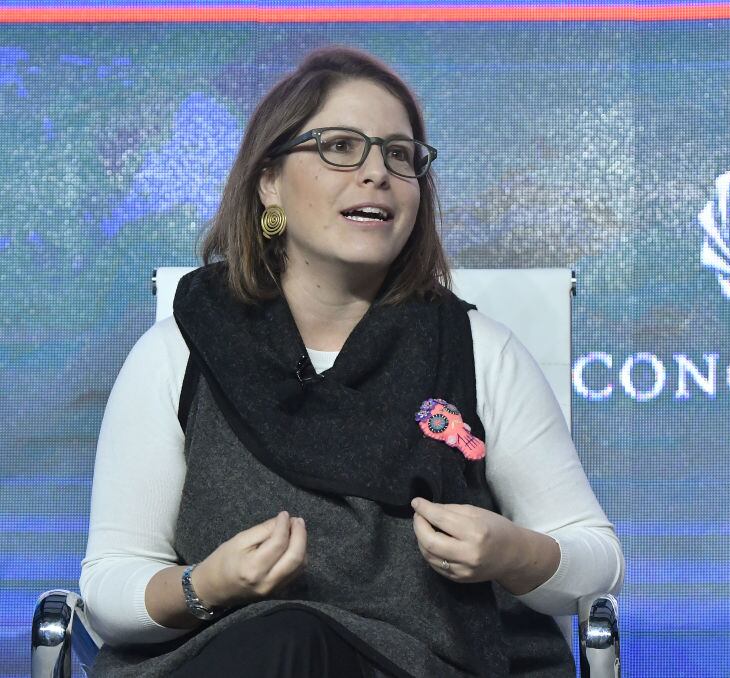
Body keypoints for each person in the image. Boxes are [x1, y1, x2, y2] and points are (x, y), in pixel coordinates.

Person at [80, 46, 624, 677]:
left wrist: (513, 554)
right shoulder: (178, 353)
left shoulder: (480, 351)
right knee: (287, 638)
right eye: (340, 146)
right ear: (269, 182)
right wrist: (208, 584)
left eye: (400, 154)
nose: (378, 173)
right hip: (231, 658)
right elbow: (110, 587)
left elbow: (597, 563)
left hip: (424, 665)